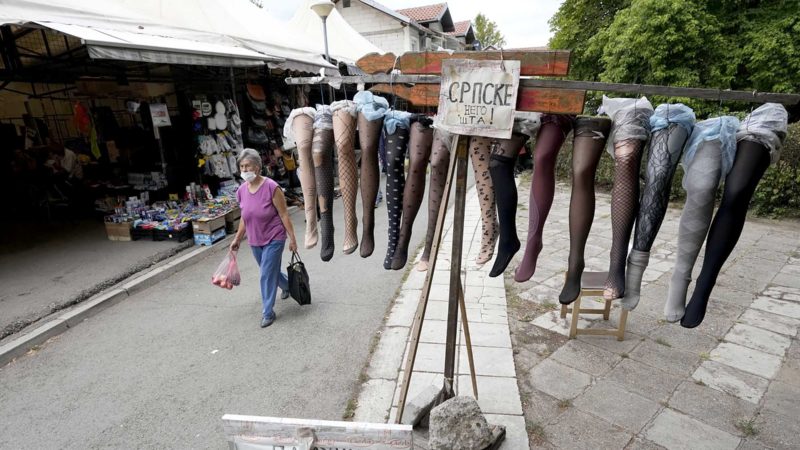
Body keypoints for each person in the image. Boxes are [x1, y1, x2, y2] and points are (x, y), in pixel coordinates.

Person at [230, 148, 299, 328]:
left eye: (248, 166)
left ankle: (268, 311)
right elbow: (245, 217)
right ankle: (287, 286)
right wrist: (237, 239)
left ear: (258, 167)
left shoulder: (271, 187)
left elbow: (284, 215)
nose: (244, 170)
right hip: (255, 240)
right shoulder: (241, 191)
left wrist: (292, 239)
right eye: (242, 167)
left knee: (266, 274)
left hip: (274, 237)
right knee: (271, 272)